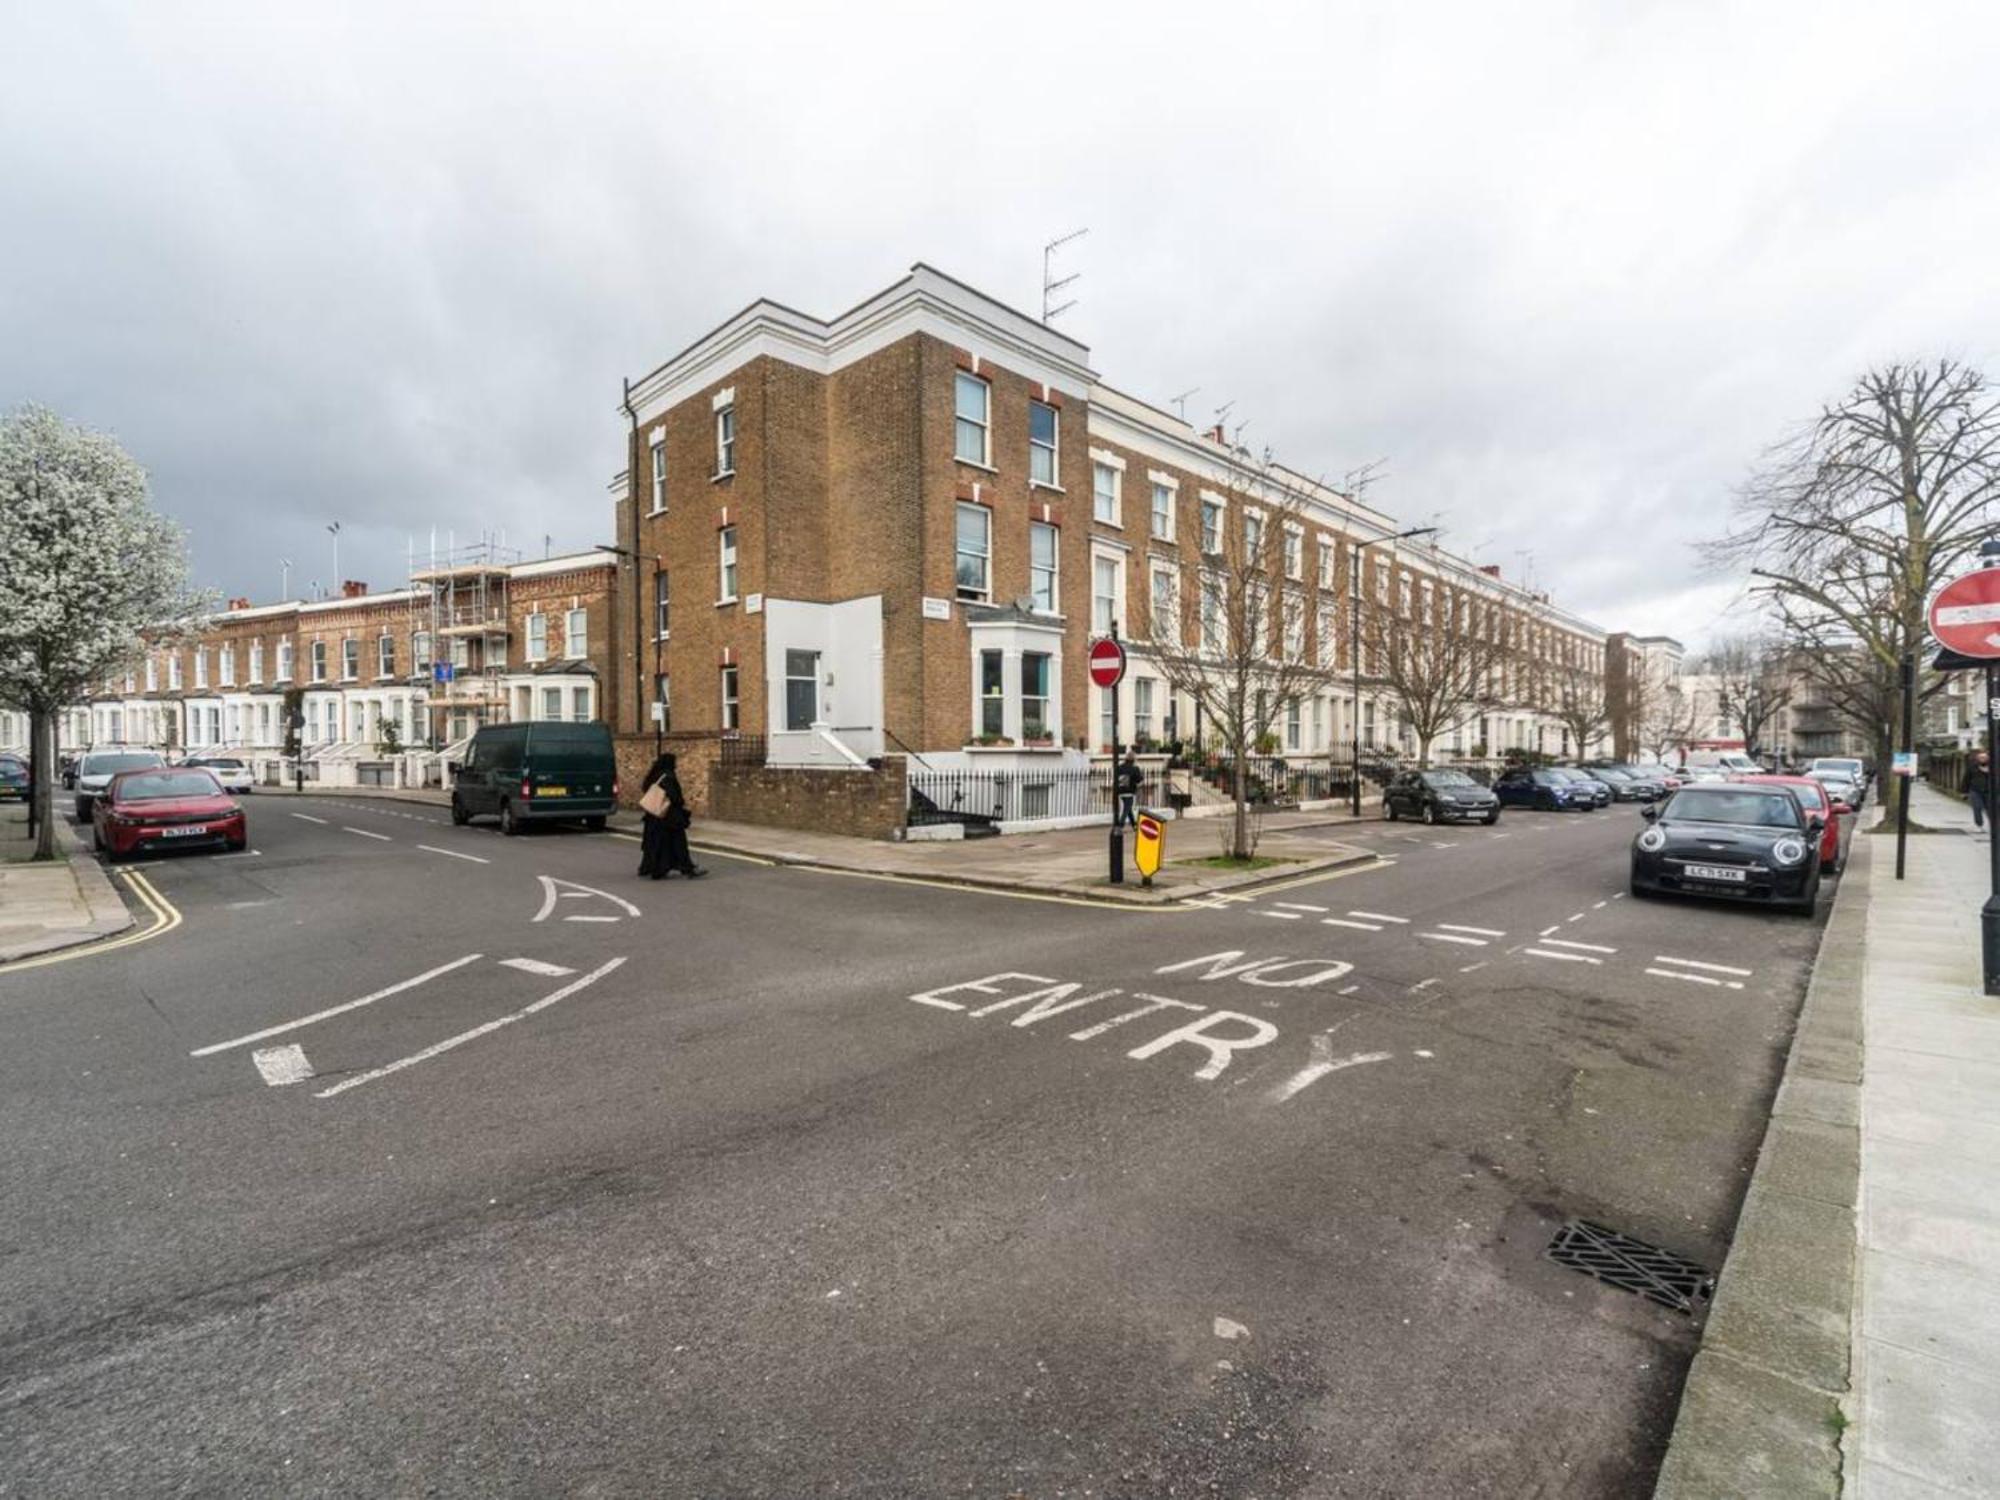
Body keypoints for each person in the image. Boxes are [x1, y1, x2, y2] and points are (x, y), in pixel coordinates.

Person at [637, 752, 707, 880]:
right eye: (674, 762)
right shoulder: (668, 776)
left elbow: (646, 789)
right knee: (679, 843)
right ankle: (688, 868)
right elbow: (675, 797)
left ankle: (649, 867)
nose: (676, 765)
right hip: (668, 817)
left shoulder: (655, 775)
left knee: (654, 843)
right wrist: (681, 803)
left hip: (653, 816)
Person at [1113, 750, 1143, 830]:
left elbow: (1116, 779)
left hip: (1121, 791)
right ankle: (1120, 825)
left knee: (1128, 809)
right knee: (1126, 810)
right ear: (1133, 759)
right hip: (1129, 791)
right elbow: (1139, 779)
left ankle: (1134, 825)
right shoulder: (1135, 768)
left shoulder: (1119, 767)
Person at [1972, 749, 1991, 831]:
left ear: (1988, 758)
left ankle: (1993, 825)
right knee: (1977, 807)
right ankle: (1979, 824)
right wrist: (1963, 792)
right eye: (1981, 757)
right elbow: (1966, 778)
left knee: (1990, 809)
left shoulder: (1993, 767)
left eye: (1984, 757)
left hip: (1989, 791)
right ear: (1977, 758)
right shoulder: (1973, 767)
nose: (1982, 759)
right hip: (1975, 791)